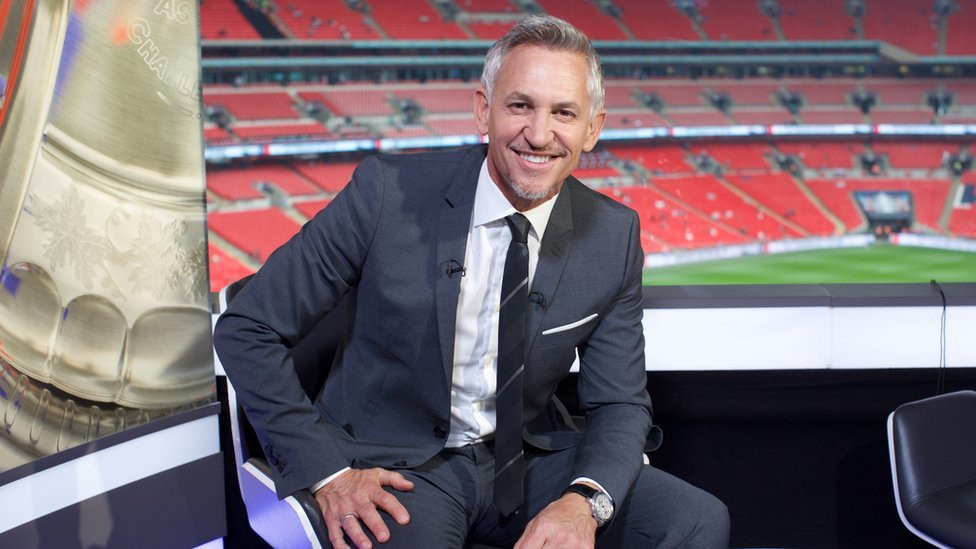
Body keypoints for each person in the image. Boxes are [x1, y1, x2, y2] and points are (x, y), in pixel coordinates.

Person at [214, 15, 729, 549]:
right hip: (397, 464)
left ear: (592, 129)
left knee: (696, 521)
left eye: (564, 113)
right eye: (520, 105)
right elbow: (246, 329)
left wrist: (584, 503)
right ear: (484, 109)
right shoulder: (384, 193)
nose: (539, 135)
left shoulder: (613, 235)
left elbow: (620, 402)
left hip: (528, 459)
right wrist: (328, 473)